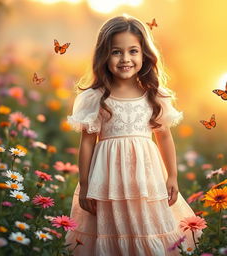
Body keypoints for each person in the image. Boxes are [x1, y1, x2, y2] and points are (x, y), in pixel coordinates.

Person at [65, 15, 199, 256]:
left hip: (146, 179)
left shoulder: (153, 94)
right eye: (116, 52)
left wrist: (172, 176)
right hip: (107, 180)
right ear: (103, 55)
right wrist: (85, 185)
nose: (125, 59)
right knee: (111, 230)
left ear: (144, 54)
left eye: (133, 51)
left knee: (147, 225)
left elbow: (164, 137)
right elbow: (87, 144)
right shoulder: (95, 97)